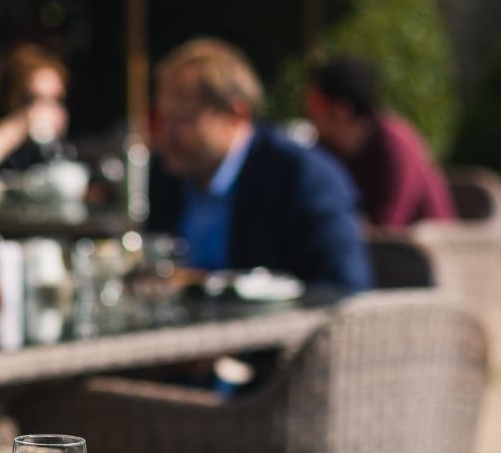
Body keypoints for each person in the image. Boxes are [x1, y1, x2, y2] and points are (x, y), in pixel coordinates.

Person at [148, 39, 371, 293]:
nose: (166, 135)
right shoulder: (168, 174)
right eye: (164, 118)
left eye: (182, 120)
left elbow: (344, 289)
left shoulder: (302, 178)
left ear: (236, 116)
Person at [305, 56, 455, 229]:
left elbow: (389, 226)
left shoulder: (394, 144)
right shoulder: (327, 148)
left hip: (426, 244)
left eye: (316, 103)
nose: (308, 111)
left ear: (342, 110)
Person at [0, 44, 71, 176]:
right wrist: (21, 124)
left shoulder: (61, 145)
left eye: (56, 99)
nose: (46, 109)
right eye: (34, 99)